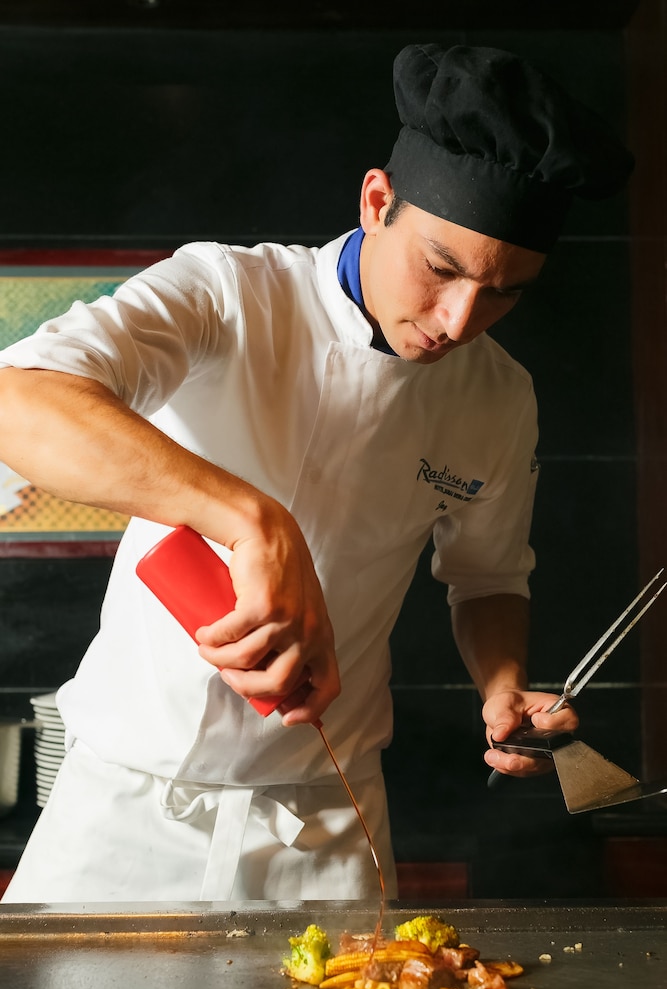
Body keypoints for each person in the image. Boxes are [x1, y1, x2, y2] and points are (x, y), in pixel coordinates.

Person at [0, 43, 633, 903]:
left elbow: (486, 576)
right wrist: (252, 522)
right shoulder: (226, 293)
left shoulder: (497, 395)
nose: (459, 320)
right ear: (376, 201)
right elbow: (21, 399)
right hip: (125, 801)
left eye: (503, 292)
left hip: (324, 815)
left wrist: (501, 685)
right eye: (440, 268)